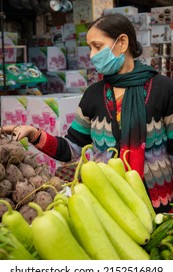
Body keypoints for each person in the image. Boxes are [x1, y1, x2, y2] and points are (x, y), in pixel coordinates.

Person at [2, 13, 173, 214]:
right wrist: (34, 133)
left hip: (158, 205)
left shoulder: (163, 88)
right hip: (106, 205)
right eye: (90, 47)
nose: (92, 55)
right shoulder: (93, 95)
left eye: (97, 46)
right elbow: (72, 148)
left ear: (122, 42)